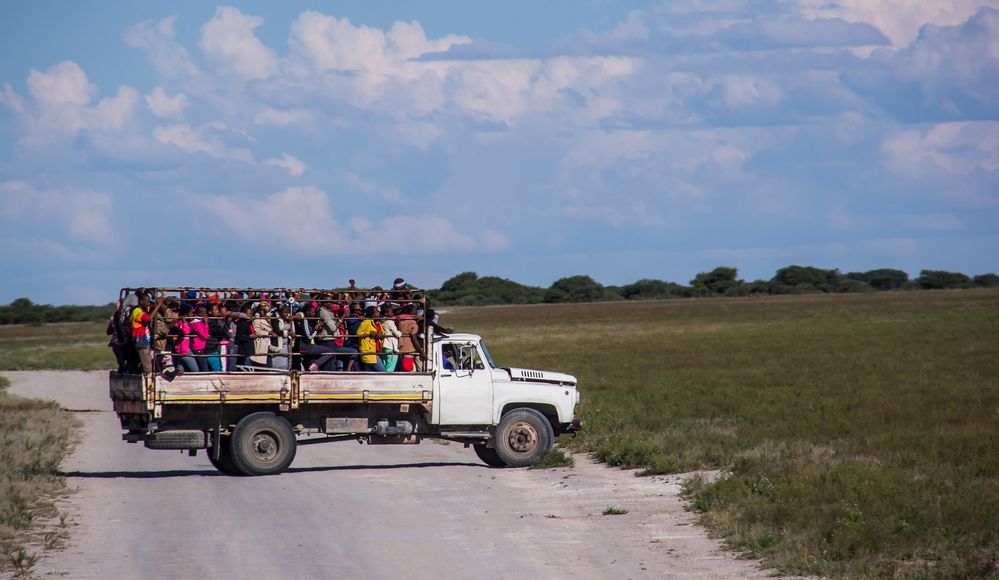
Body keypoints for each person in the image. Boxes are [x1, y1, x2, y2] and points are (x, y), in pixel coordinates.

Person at [130, 291, 165, 374]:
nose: (148, 303)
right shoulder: (137, 311)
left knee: (148, 362)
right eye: (147, 302)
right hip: (141, 339)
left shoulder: (142, 310)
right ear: (141, 301)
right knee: (147, 366)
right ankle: (148, 384)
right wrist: (158, 305)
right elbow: (148, 318)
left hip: (144, 339)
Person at [190, 304, 221, 372]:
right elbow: (205, 335)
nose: (206, 314)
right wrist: (206, 324)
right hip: (198, 348)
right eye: (204, 313)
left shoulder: (200, 321)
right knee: (204, 369)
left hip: (201, 347)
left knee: (204, 367)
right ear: (200, 313)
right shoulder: (197, 323)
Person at [356, 305, 385, 372]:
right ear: (372, 315)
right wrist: (369, 333)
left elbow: (382, 331)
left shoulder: (378, 323)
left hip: (377, 350)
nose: (379, 313)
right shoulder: (366, 322)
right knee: (383, 371)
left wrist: (382, 332)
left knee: (369, 372)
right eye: (376, 312)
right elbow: (358, 333)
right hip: (369, 351)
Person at [397, 303, 424, 372]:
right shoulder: (412, 323)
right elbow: (414, 338)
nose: (416, 312)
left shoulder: (400, 321)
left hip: (402, 347)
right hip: (409, 348)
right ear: (410, 312)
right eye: (414, 311)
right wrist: (421, 351)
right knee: (410, 369)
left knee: (405, 368)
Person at [172, 304, 199, 372]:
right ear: (185, 314)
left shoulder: (185, 322)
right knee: (195, 370)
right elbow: (186, 332)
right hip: (183, 349)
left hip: (184, 348)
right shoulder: (181, 322)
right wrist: (184, 322)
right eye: (191, 312)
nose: (192, 314)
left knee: (181, 368)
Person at [250, 301, 277, 368]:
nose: (263, 312)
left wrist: (269, 321)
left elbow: (271, 329)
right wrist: (268, 333)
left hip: (268, 344)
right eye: (262, 310)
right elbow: (257, 332)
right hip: (261, 343)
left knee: (269, 366)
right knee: (261, 366)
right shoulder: (256, 320)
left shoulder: (267, 319)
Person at [270, 304, 293, 370]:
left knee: (285, 364)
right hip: (278, 343)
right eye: (284, 312)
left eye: (287, 312)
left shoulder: (288, 318)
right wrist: (288, 333)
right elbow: (277, 330)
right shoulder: (275, 318)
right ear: (280, 312)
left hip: (286, 345)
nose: (286, 314)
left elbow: (300, 314)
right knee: (276, 365)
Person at [234, 302, 256, 369]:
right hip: (244, 351)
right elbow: (238, 337)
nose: (251, 312)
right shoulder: (243, 323)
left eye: (251, 311)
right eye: (249, 311)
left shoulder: (248, 322)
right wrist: (249, 336)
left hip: (249, 350)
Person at [380, 305, 402, 372]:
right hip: (391, 346)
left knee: (385, 363)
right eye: (391, 312)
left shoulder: (382, 321)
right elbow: (398, 334)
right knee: (390, 367)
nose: (393, 314)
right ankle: (386, 380)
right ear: (386, 313)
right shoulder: (390, 322)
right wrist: (399, 323)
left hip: (385, 345)